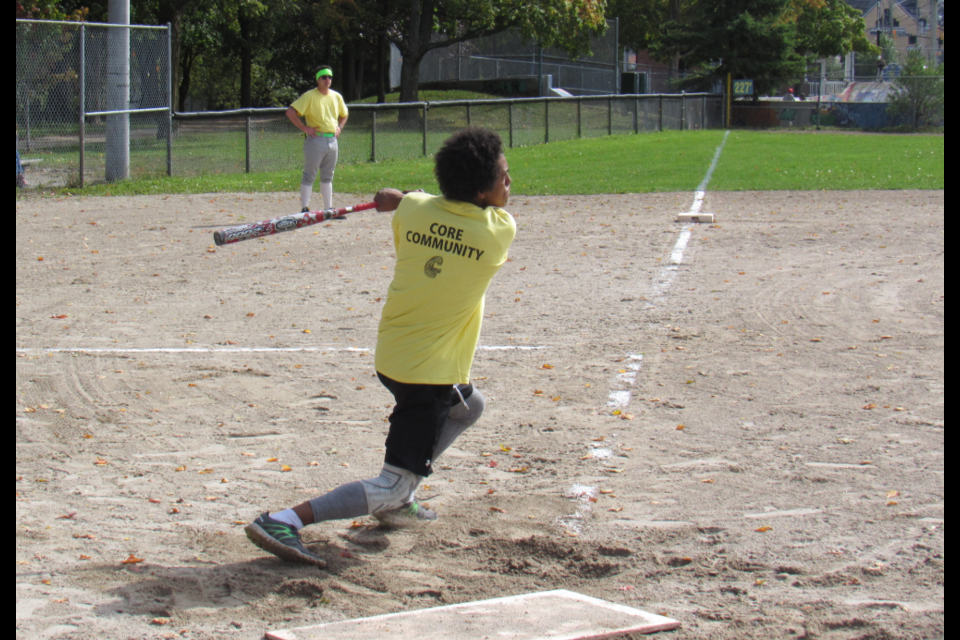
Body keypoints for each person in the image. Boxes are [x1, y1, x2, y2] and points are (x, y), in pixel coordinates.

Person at [245, 127, 516, 567]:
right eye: (503, 177)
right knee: (391, 483)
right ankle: (286, 519)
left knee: (470, 406)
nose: (509, 184)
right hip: (428, 373)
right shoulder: (498, 232)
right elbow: (427, 199)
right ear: (483, 191)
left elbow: (418, 200)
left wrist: (401, 196)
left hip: (395, 355)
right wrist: (405, 195)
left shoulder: (411, 212)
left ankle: (401, 492)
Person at [286, 66, 349, 213]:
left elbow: (344, 113)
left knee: (328, 176)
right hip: (316, 140)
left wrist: (340, 127)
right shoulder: (310, 96)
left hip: (332, 140)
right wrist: (305, 128)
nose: (327, 80)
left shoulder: (336, 96)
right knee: (309, 174)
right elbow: (290, 112)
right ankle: (305, 209)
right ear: (318, 79)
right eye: (324, 77)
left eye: (330, 77)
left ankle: (328, 209)